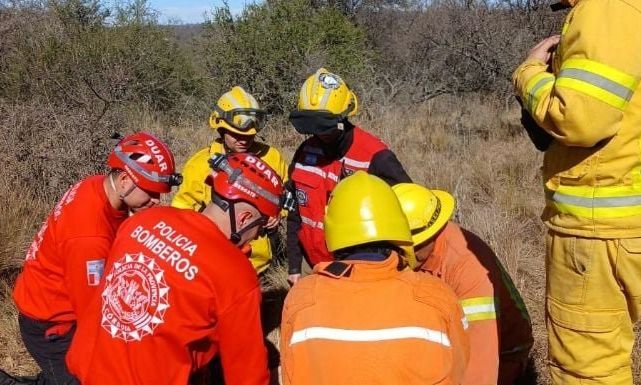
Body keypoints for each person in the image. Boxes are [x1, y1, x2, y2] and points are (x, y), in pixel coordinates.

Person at [65, 152, 292, 385]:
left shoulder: (143, 220)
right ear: (244, 219)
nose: (256, 237)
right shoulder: (237, 276)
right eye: (261, 228)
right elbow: (247, 375)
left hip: (85, 369)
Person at [513, 0, 641, 383]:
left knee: (588, 368)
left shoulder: (606, 9)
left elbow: (581, 119)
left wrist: (528, 73)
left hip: (599, 230)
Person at [2, 132, 180, 385]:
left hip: (50, 298)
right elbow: (93, 316)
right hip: (52, 325)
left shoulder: (96, 185)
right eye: (150, 192)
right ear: (125, 180)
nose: (156, 201)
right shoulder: (89, 237)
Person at [280, 171, 469, 385]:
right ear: (398, 223)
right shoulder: (437, 296)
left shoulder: (301, 299)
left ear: (332, 230)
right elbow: (460, 372)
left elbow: (290, 375)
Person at [393, 183, 533, 385]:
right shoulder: (419, 253)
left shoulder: (467, 268)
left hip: (501, 354)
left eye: (402, 248)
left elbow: (480, 363)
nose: (396, 255)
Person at [287, 68, 411, 284]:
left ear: (343, 117)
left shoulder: (375, 156)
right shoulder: (305, 153)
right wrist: (294, 267)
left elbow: (408, 213)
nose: (318, 133)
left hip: (363, 274)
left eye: (323, 125)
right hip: (317, 268)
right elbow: (295, 213)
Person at [172, 86, 288, 274]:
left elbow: (284, 198)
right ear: (220, 128)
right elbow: (182, 211)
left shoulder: (271, 157)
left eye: (249, 136)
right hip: (212, 262)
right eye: (236, 135)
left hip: (258, 266)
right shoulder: (200, 163)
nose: (243, 140)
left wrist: (277, 215)